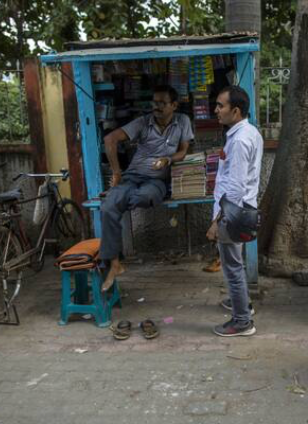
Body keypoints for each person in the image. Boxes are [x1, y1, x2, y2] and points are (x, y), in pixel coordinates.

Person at [100, 85, 193, 291]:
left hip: (157, 181)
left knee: (144, 197)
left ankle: (119, 197)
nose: (156, 107)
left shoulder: (182, 122)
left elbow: (183, 152)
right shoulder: (143, 122)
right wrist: (116, 173)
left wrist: (167, 159)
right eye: (154, 102)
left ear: (174, 105)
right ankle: (115, 264)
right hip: (132, 177)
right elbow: (110, 139)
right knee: (107, 208)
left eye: (162, 103)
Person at [206, 86, 262, 337]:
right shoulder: (247, 132)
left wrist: (218, 221)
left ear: (235, 111)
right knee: (234, 264)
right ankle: (242, 305)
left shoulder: (240, 140)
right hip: (239, 209)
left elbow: (236, 188)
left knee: (232, 267)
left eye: (220, 105)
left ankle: (242, 321)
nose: (216, 110)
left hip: (234, 212)